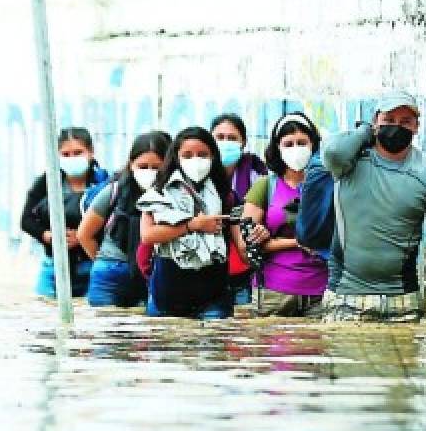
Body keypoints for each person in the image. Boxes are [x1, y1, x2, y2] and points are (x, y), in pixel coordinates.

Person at [321, 92, 426, 322]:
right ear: (376, 120)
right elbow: (332, 153)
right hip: (346, 296)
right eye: (389, 119)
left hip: (402, 300)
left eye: (405, 121)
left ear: (417, 126)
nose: (397, 127)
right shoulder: (351, 160)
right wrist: (365, 131)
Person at [138, 126, 234, 319]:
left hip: (213, 296)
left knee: (214, 347)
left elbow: (240, 239)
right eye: (188, 155)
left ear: (213, 157)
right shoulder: (158, 192)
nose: (195, 160)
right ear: (176, 157)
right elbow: (148, 236)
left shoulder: (225, 194)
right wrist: (192, 226)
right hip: (167, 295)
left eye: (202, 154)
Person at [238, 112, 328, 316]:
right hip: (274, 293)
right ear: (277, 148)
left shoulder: (328, 185)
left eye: (302, 142)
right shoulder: (265, 186)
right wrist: (298, 242)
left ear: (313, 144)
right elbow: (247, 244)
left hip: (321, 293)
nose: (296, 149)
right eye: (288, 144)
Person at [77, 131, 171, 308]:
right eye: (142, 166)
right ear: (131, 165)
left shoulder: (173, 196)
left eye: (156, 167)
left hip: (152, 274)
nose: (149, 172)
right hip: (110, 277)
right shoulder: (114, 191)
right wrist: (104, 260)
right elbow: (84, 234)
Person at [20, 126, 109, 299]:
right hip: (53, 267)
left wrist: (84, 236)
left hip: (90, 265)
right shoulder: (47, 181)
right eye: (66, 154)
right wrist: (51, 237)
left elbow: (113, 224)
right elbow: (26, 220)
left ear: (91, 153)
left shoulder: (103, 183)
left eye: (78, 153)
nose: (72, 158)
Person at [210, 113, 269, 304]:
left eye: (232, 138)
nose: (225, 142)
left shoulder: (258, 175)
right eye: (219, 137)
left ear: (243, 142)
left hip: (244, 266)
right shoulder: (199, 173)